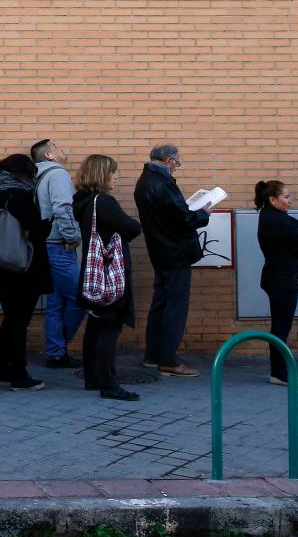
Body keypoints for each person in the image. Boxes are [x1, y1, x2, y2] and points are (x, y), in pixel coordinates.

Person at [73, 155, 143, 401]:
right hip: (108, 277)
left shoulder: (82, 201)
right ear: (102, 175)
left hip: (93, 275)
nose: (116, 177)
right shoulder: (103, 202)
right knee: (110, 328)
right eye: (113, 172)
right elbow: (131, 228)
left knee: (95, 326)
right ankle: (109, 384)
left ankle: (93, 378)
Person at [135, 143, 209, 377]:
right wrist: (203, 214)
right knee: (175, 307)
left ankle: (153, 354)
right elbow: (183, 218)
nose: (176, 168)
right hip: (175, 252)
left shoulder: (144, 181)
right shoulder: (163, 183)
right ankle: (168, 360)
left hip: (159, 250)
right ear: (168, 160)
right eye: (176, 163)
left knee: (161, 303)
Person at [0, 154, 51, 391]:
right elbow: (37, 230)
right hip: (21, 267)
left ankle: (0, 370)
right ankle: (19, 376)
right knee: (20, 323)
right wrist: (49, 221)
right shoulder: (20, 196)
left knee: (9, 319)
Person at [256, 179, 298, 387]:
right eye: (286, 197)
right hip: (282, 280)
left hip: (278, 278)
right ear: (272, 200)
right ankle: (279, 374)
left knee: (280, 327)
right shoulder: (279, 221)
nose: (290, 201)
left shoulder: (271, 217)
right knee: (281, 328)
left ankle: (279, 372)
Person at [33, 139, 83, 369]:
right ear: (49, 155)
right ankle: (59, 345)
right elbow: (62, 208)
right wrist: (73, 237)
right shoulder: (58, 174)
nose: (61, 148)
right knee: (80, 297)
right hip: (59, 244)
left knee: (55, 302)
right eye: (56, 146)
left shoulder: (35, 175)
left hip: (44, 243)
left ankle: (55, 353)